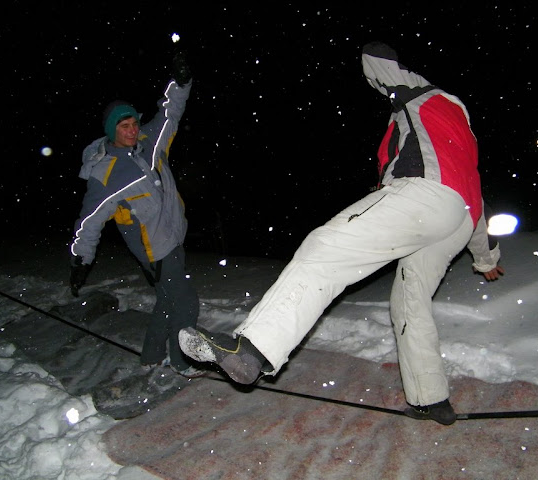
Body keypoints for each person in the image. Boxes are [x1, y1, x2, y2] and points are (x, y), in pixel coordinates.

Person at [178, 42, 504, 424]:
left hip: (424, 195)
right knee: (410, 306)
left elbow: (376, 58)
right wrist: (486, 258)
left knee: (327, 248)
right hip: (457, 219)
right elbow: (475, 201)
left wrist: (379, 68)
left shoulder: (421, 95)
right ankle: (430, 399)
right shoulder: (464, 136)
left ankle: (252, 350)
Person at [69, 52, 203, 378]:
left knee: (167, 300)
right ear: (111, 130)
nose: (131, 131)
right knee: (185, 302)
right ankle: (183, 362)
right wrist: (81, 260)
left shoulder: (149, 143)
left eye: (134, 124)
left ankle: (152, 356)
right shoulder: (107, 173)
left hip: (174, 235)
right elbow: (89, 221)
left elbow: (170, 112)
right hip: (153, 249)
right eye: (124, 127)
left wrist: (181, 83)